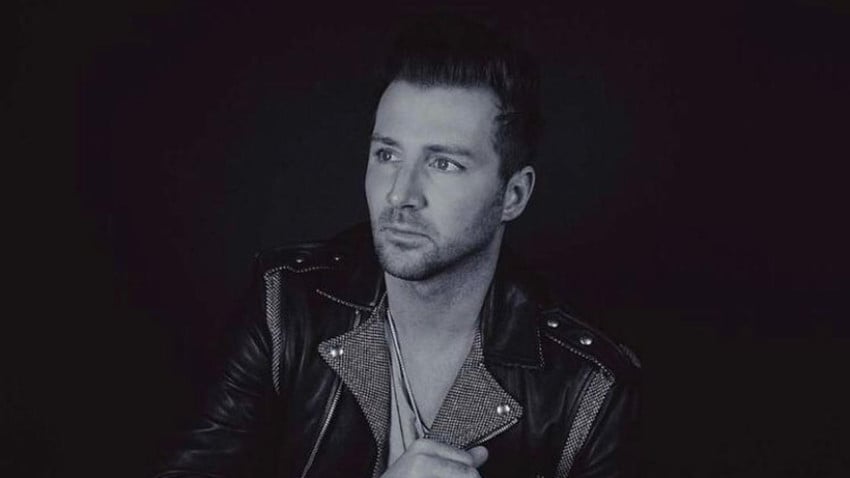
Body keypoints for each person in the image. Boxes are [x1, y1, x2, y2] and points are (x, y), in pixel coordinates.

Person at [155, 14, 640, 478]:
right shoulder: (288, 303)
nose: (399, 195)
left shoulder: (587, 384)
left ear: (513, 195)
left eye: (444, 163)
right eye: (387, 154)